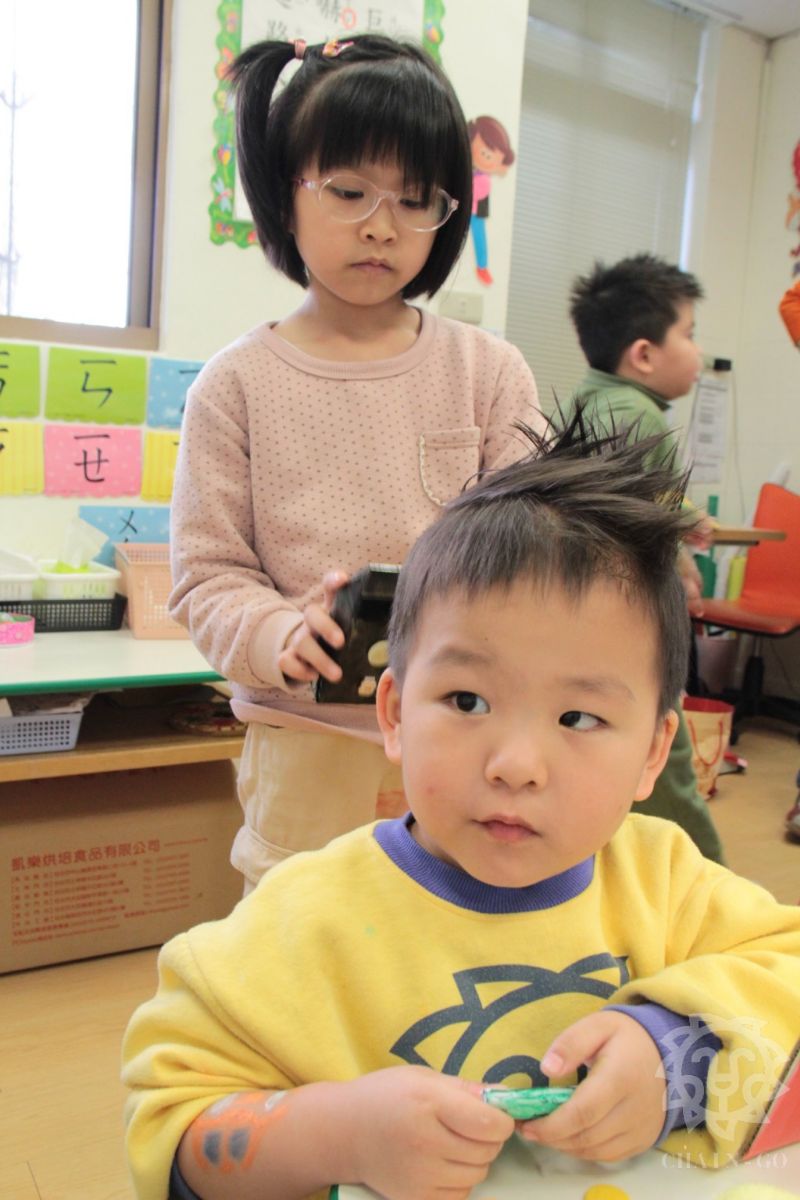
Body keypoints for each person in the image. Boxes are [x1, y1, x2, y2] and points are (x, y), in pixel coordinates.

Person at [123, 416, 800, 1200]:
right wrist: (338, 1135)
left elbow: (784, 971)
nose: (515, 766)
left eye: (579, 718)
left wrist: (676, 1055)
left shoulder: (667, 883)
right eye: (467, 700)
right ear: (394, 714)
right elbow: (173, 1126)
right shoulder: (306, 922)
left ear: (653, 753)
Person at [167, 35, 543, 892]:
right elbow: (208, 576)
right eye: (348, 191)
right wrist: (279, 634)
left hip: (466, 733)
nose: (382, 225)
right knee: (303, 932)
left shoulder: (490, 372)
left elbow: (532, 546)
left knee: (457, 923)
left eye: (415, 200)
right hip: (308, 739)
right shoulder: (235, 384)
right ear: (284, 193)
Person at [565, 253, 725, 863]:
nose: (698, 351)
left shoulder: (588, 399)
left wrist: (681, 512)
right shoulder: (638, 416)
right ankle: (710, 882)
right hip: (626, 617)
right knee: (665, 755)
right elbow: (639, 517)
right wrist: (684, 561)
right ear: (644, 355)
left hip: (579, 610)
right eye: (689, 333)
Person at [468, 115, 515, 286]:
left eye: (492, 157)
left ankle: (482, 267)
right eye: (485, 154)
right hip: (463, 208)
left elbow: (478, 194)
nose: (488, 160)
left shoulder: (483, 180)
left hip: (476, 211)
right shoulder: (467, 171)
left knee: (479, 237)